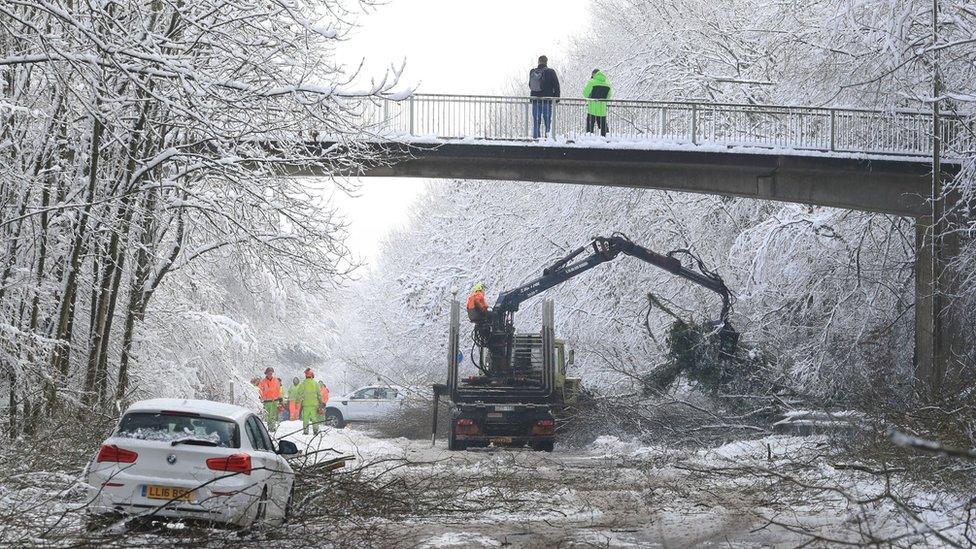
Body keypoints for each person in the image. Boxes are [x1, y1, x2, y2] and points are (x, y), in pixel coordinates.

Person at [528, 55, 560, 139]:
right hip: (547, 100)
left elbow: (530, 85)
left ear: (538, 62)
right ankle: (548, 139)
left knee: (536, 121)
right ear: (546, 62)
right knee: (547, 121)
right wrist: (556, 98)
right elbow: (556, 85)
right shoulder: (551, 72)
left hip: (535, 100)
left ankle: (536, 140)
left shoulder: (533, 72)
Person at [583, 69, 612, 137]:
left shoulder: (591, 82)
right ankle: (605, 141)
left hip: (592, 109)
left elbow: (585, 94)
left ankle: (589, 141)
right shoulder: (607, 84)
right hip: (602, 110)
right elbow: (609, 96)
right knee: (604, 129)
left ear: (594, 74)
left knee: (590, 129)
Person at [297, 368, 324, 435]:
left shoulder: (303, 384)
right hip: (314, 405)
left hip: (306, 405)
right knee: (314, 419)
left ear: (306, 376)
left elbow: (299, 392)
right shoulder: (315, 383)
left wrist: (302, 398)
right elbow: (319, 395)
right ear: (312, 375)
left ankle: (306, 431)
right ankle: (315, 431)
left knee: (305, 419)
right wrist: (321, 402)